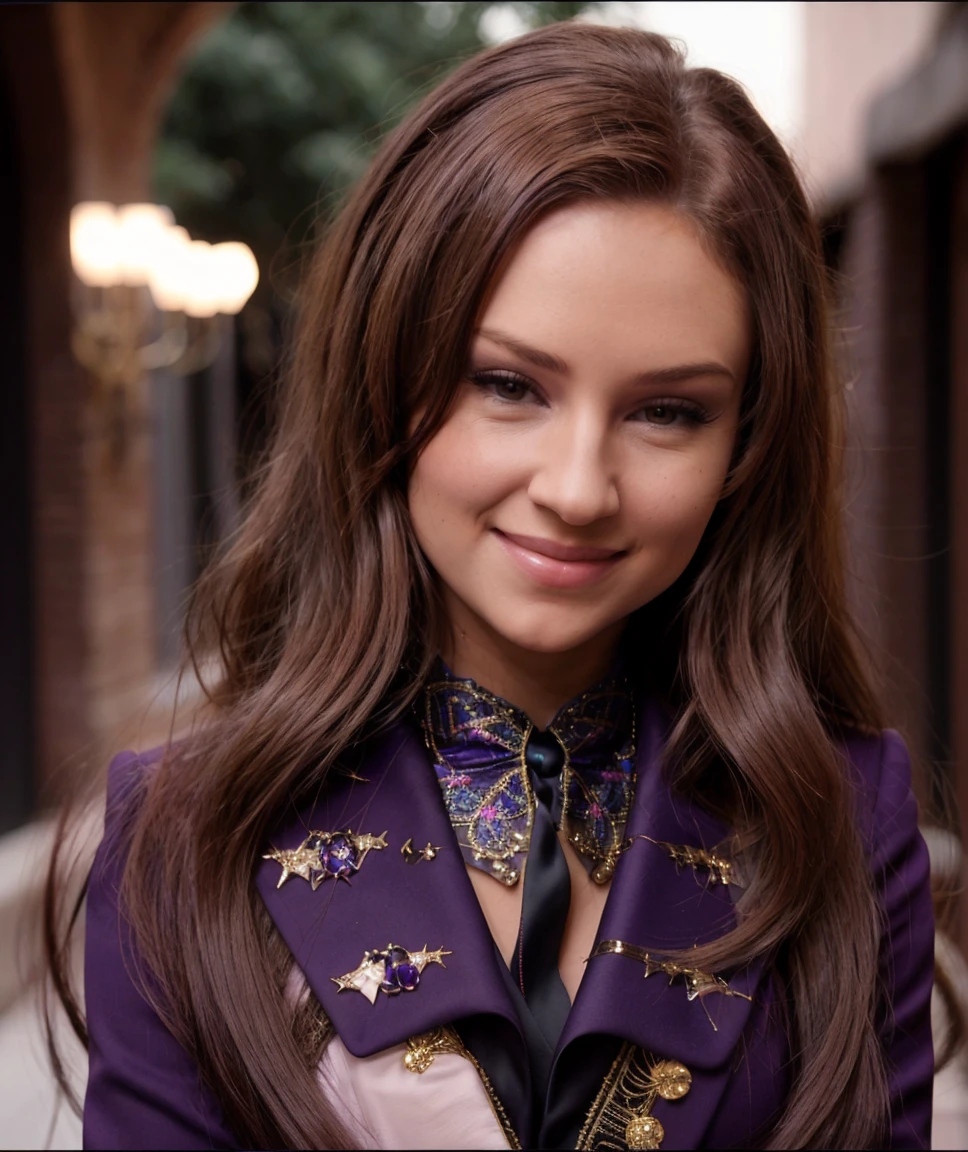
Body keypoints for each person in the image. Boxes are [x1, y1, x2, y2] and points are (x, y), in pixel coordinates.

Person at [50, 21, 936, 1151]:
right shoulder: (184, 839)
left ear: (746, 448)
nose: (576, 489)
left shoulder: (839, 823)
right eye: (508, 384)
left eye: (668, 410)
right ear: (385, 379)